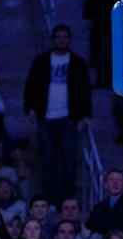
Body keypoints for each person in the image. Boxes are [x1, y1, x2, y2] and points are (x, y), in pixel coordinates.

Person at [23, 24, 92, 202]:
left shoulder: (78, 63)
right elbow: (31, 86)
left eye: (65, 37)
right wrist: (30, 109)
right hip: (45, 118)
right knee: (47, 161)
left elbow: (85, 90)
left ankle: (68, 199)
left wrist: (86, 115)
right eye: (58, 37)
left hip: (69, 118)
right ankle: (49, 200)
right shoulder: (41, 61)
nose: (62, 40)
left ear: (69, 40)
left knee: (69, 162)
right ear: (53, 39)